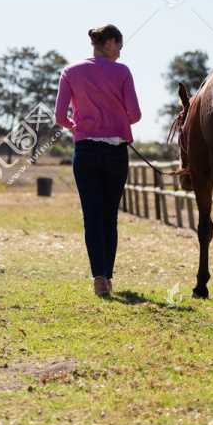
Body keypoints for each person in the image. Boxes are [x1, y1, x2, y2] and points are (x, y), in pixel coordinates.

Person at [54, 24, 141, 297]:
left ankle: (99, 279)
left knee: (91, 218)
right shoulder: (123, 72)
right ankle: (110, 278)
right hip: (116, 151)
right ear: (112, 42)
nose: (121, 51)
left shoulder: (70, 72)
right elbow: (135, 115)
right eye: (120, 46)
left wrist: (78, 125)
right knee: (109, 218)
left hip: (85, 150)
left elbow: (59, 118)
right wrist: (115, 119)